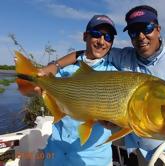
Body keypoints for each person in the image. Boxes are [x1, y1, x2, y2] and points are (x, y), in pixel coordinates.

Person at [40, 5, 165, 166]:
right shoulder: (124, 55)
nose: (141, 36)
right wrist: (54, 66)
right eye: (134, 31)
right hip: (128, 146)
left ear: (158, 29)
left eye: (146, 28)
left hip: (158, 153)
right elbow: (86, 51)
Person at [42, 15, 118, 166]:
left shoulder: (114, 74)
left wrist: (116, 123)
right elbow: (37, 90)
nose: (101, 41)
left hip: (93, 158)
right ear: (85, 36)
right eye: (96, 34)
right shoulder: (64, 70)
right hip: (56, 152)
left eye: (108, 37)